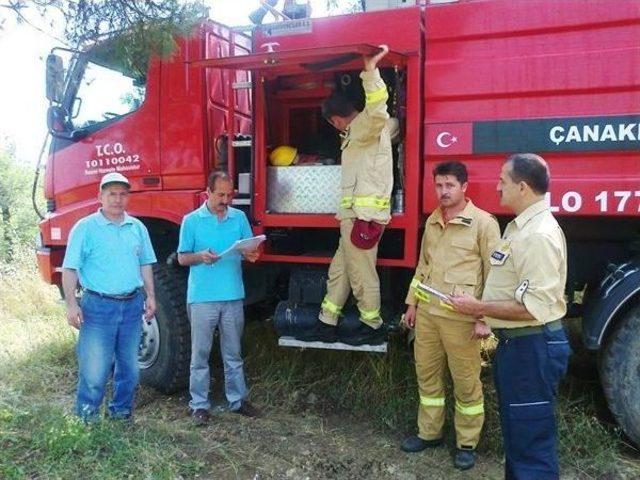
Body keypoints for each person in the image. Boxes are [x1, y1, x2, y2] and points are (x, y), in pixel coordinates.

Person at [450, 153, 571, 479]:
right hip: (519, 348)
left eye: (502, 181)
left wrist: (479, 309)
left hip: (531, 349)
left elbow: (534, 307)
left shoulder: (536, 236)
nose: (497, 186)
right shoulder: (522, 228)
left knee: (530, 444)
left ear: (522, 187)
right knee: (519, 439)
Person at [400, 161, 500, 470]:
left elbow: (495, 274)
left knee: (466, 382)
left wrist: (485, 318)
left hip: (462, 320)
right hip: (428, 314)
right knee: (427, 377)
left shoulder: (484, 223)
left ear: (464, 186)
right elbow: (423, 266)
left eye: (449, 186)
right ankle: (429, 434)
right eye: (439, 185)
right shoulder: (432, 221)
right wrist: (412, 304)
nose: (443, 191)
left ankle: (466, 443)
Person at [296, 45, 397, 344]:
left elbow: (378, 108)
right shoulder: (357, 134)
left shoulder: (365, 127)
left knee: (361, 276)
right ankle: (327, 322)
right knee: (339, 272)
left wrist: (370, 72)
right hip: (353, 217)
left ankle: (373, 327)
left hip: (363, 219)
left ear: (335, 120)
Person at [62, 172, 157, 422]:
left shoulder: (137, 227)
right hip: (97, 307)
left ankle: (121, 414)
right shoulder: (85, 228)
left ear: (128, 197)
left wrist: (151, 297)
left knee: (130, 369)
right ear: (100, 197)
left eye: (123, 194)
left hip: (131, 305)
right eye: (112, 193)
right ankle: (87, 418)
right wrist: (71, 305)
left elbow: (146, 263)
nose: (117, 199)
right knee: (94, 369)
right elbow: (70, 268)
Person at [178, 170, 260, 426]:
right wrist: (200, 256)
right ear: (208, 193)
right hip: (202, 298)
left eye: (229, 194)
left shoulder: (239, 218)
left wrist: (251, 255)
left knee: (233, 353)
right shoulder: (191, 221)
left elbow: (249, 250)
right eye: (220, 194)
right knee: (200, 354)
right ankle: (199, 405)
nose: (226, 200)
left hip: (233, 295)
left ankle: (238, 400)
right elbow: (182, 257)